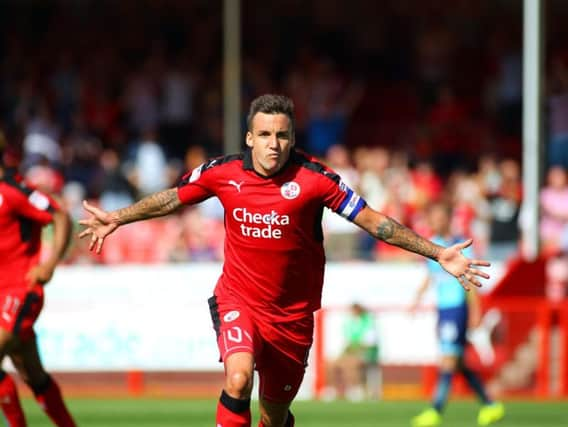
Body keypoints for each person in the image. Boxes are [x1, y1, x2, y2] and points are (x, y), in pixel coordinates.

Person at [79, 94, 491, 427]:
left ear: (291, 138)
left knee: (273, 417)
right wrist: (117, 217)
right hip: (238, 299)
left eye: (281, 135)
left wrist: (437, 253)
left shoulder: (315, 179)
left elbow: (374, 222)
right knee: (238, 380)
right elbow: (172, 197)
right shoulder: (222, 173)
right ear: (249, 138)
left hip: (291, 319)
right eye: (264, 134)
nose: (273, 144)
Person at [0, 135, 77, 427]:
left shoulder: (14, 190)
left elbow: (59, 216)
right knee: (34, 375)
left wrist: (50, 262)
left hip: (20, 289)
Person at [409, 202, 505, 427]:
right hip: (443, 310)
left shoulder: (459, 246)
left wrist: (475, 310)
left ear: (447, 218)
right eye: (432, 217)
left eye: (439, 216)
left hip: (457, 309)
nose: (435, 221)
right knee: (458, 361)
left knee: (448, 360)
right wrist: (417, 298)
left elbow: (470, 279)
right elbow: (431, 276)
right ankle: (490, 405)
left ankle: (435, 410)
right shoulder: (433, 246)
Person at [326, 303, 380, 401]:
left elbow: (370, 343)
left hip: (366, 353)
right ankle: (332, 390)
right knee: (331, 364)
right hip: (349, 353)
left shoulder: (368, 322)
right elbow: (346, 342)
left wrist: (355, 348)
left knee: (352, 363)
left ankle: (355, 389)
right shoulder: (349, 322)